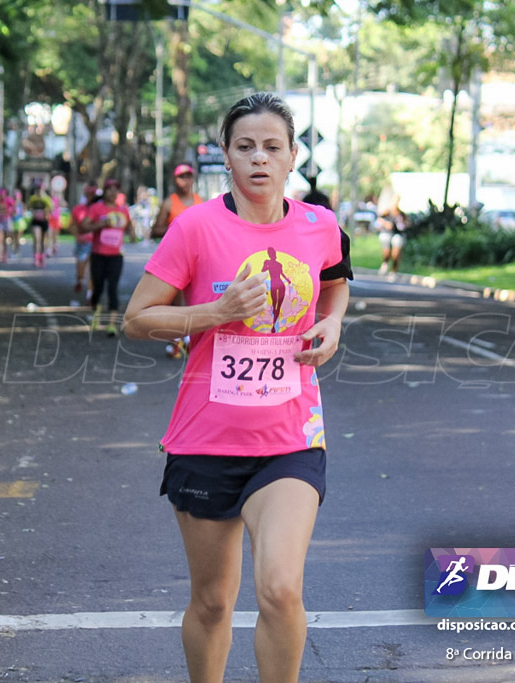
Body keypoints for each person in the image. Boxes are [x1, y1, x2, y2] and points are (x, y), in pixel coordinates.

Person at [123, 92, 351, 683]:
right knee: (214, 601)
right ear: (225, 154)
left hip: (291, 438)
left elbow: (334, 283)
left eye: (272, 147)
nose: (259, 159)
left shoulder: (320, 226)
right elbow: (138, 318)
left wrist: (331, 324)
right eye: (245, 147)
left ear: (293, 155)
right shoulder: (195, 227)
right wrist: (217, 311)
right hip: (205, 442)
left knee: (279, 588)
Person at [84, 178, 131, 336]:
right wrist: (100, 225)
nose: (112, 192)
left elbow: (130, 228)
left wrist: (131, 233)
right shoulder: (96, 209)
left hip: (116, 256)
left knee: (113, 288)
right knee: (97, 286)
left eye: (115, 189)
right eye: (109, 189)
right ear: (104, 191)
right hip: (98, 254)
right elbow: (84, 226)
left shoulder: (123, 210)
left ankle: (112, 324)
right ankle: (95, 312)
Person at [152, 163, 202, 239]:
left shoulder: (201, 201)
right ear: (175, 180)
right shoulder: (168, 203)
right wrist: (177, 228)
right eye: (181, 177)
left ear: (192, 179)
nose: (185, 180)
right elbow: (155, 231)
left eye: (188, 177)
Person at [71, 181, 99, 295]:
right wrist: (77, 235)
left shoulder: (99, 209)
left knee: (93, 269)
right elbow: (71, 226)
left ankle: (90, 293)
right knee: (81, 267)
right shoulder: (78, 209)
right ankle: (80, 280)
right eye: (88, 194)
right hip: (82, 242)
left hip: (96, 244)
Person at [26, 184, 52, 267]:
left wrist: (45, 212)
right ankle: (36, 258)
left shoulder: (47, 198)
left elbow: (52, 209)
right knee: (36, 239)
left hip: (44, 221)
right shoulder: (33, 198)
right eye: (38, 189)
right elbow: (28, 207)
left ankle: (42, 256)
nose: (39, 191)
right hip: (36, 221)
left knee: (43, 242)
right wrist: (34, 212)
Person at [377, 202, 407, 274]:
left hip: (397, 234)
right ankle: (385, 262)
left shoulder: (402, 214)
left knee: (396, 249)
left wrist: (403, 223)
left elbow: (407, 224)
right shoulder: (387, 212)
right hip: (386, 233)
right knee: (386, 245)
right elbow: (379, 218)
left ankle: (394, 270)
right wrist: (386, 223)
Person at [0, 188, 14, 263]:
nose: (1, 196)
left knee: (5, 239)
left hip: (6, 221)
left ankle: (4, 253)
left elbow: (14, 209)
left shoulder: (9, 200)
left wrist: (10, 212)